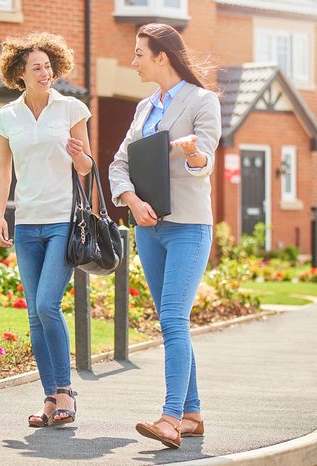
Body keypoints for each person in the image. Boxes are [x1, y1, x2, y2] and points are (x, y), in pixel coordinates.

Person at [108, 23, 221, 449]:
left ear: (162, 57)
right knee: (170, 321)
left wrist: (192, 151)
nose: (133, 61)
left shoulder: (202, 101)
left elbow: (205, 159)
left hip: (188, 226)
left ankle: (170, 418)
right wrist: (132, 202)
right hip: (149, 228)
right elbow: (120, 163)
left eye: (139, 54)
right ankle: (192, 413)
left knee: (174, 319)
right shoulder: (143, 108)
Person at [0, 32, 93, 427]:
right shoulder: (6, 117)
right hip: (27, 222)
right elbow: (2, 171)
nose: (46, 73)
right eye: (37, 68)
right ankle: (50, 398)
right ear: (20, 73)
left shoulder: (71, 109)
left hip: (62, 221)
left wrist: (80, 156)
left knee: (48, 304)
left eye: (49, 66)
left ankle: (66, 391)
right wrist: (0, 214)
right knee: (34, 315)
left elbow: (86, 169)